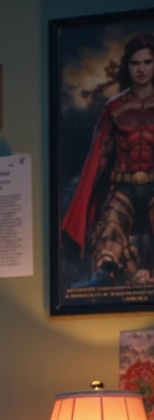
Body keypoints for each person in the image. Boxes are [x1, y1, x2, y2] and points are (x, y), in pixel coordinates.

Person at [62, 32, 154, 283]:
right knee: (108, 242)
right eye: (136, 63)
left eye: (147, 62)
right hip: (123, 185)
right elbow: (98, 157)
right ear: (128, 66)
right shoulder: (113, 108)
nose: (142, 69)